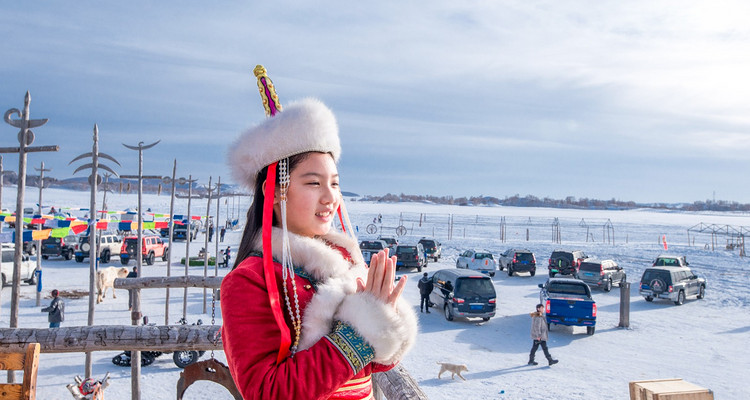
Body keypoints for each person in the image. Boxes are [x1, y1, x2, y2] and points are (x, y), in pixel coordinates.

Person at [220, 73, 417, 400]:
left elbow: (370, 369)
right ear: (276, 190)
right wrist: (358, 333)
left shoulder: (343, 263)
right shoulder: (249, 282)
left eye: (335, 183)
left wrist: (384, 319)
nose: (330, 197)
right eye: (313, 183)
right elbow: (267, 392)